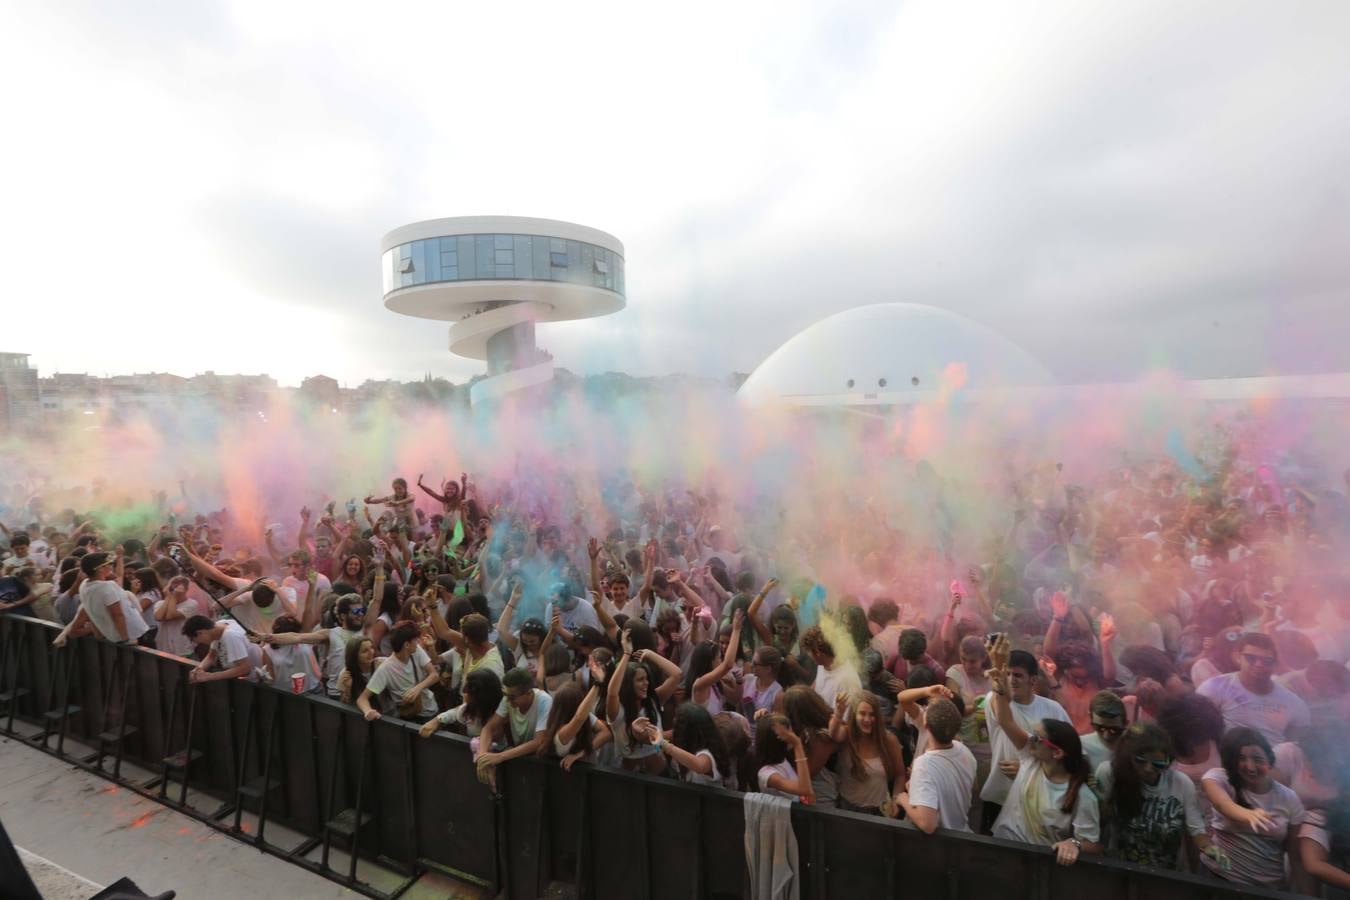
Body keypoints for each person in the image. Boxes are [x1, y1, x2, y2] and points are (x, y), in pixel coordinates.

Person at [1097, 723, 1225, 871]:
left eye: (1158, 764)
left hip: (1166, 873)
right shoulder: (1109, 773)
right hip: (1120, 868)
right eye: (1140, 761)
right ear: (1127, 755)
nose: (1148, 769)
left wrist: (1209, 849)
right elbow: (1097, 821)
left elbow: (1196, 830)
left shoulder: (1181, 783)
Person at [981, 639, 1071, 833]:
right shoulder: (995, 700)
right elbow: (1003, 714)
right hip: (1000, 795)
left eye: (1018, 675)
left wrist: (1026, 770)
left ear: (1033, 680)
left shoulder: (1053, 710)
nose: (1011, 679)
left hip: (1037, 799)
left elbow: (1069, 753)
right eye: (1008, 674)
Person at [1200, 726, 1305, 889]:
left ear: (1269, 761)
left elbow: (1294, 854)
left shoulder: (1289, 798)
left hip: (1267, 887)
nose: (1250, 767)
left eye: (1257, 759)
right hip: (1219, 878)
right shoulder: (1218, 778)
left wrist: (1303, 894)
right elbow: (1223, 804)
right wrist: (1249, 814)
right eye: (1241, 759)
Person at [992, 718, 1102, 866]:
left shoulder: (1083, 797)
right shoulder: (1030, 761)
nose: (1030, 739)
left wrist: (1073, 843)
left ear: (1056, 753)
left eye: (1037, 738)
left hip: (1039, 864)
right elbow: (1005, 720)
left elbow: (1093, 846)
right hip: (1002, 850)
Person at [1196, 632, 1311, 746]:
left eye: (1267, 660)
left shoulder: (1293, 702)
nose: (1259, 664)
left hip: (1273, 761)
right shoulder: (1215, 687)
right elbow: (1200, 728)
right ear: (1238, 657)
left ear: (1275, 663)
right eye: (1251, 658)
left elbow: (1296, 740)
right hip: (1228, 757)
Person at [261, 593, 367, 698]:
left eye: (362, 611)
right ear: (343, 615)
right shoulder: (330, 634)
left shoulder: (366, 630)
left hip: (360, 692)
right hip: (336, 693)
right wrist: (265, 637)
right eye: (356, 611)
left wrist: (379, 576)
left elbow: (377, 600)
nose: (360, 614)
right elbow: (298, 637)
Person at [605, 634, 683, 774]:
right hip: (629, 777)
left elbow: (677, 674)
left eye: (647, 679)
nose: (646, 683)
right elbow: (612, 692)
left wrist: (650, 653)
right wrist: (627, 654)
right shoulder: (617, 710)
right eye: (640, 680)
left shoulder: (653, 700)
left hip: (660, 773)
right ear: (628, 684)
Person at [897, 698, 977, 833]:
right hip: (962, 832)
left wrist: (903, 799)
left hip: (939, 845)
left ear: (926, 725)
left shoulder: (924, 764)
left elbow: (927, 824)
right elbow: (969, 787)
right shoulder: (964, 751)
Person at [828, 690, 905, 816]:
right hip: (847, 809)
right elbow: (833, 734)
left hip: (879, 810)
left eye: (872, 714)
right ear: (854, 714)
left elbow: (900, 775)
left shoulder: (888, 740)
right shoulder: (847, 735)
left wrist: (896, 799)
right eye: (862, 714)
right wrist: (839, 713)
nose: (867, 719)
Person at [476, 668, 555, 780]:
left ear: (528, 693)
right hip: (518, 756)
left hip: (541, 762)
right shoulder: (508, 698)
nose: (508, 700)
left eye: (512, 697)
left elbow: (539, 741)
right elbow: (488, 728)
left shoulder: (544, 701)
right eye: (505, 695)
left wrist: (500, 756)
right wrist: (483, 757)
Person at [356, 623, 439, 722]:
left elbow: (434, 675)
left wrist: (417, 688)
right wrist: (368, 711)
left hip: (432, 709)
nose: (418, 642)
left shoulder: (417, 651)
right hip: (412, 718)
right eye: (416, 640)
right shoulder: (386, 668)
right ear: (407, 645)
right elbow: (362, 699)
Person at [655, 702, 733, 787]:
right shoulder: (683, 740)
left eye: (678, 723)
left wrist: (664, 745)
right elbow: (656, 736)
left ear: (689, 731)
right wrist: (645, 731)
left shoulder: (708, 754)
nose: (673, 721)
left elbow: (699, 766)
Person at [420, 668, 503, 739]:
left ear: (480, 696)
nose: (463, 692)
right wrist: (437, 720)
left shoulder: (502, 713)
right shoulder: (466, 711)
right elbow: (454, 714)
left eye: (468, 689)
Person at [182, 614, 263, 683]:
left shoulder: (230, 636)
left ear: (200, 633)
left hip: (253, 680)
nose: (197, 643)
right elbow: (211, 656)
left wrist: (210, 676)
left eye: (193, 639)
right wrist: (198, 670)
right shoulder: (218, 626)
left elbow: (244, 668)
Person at [754, 714, 815, 803]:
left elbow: (807, 792)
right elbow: (804, 789)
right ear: (777, 741)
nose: (793, 735)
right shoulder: (767, 774)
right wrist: (797, 745)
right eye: (789, 733)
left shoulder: (782, 759)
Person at [800, 625, 860, 709]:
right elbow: (816, 686)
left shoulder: (847, 681)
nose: (808, 655)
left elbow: (846, 721)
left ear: (817, 652)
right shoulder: (823, 665)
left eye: (809, 651)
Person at [1078, 690, 1126, 773]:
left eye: (1113, 730)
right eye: (1100, 728)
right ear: (1091, 718)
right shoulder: (1081, 746)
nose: (1106, 736)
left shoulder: (1135, 745)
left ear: (1125, 724)